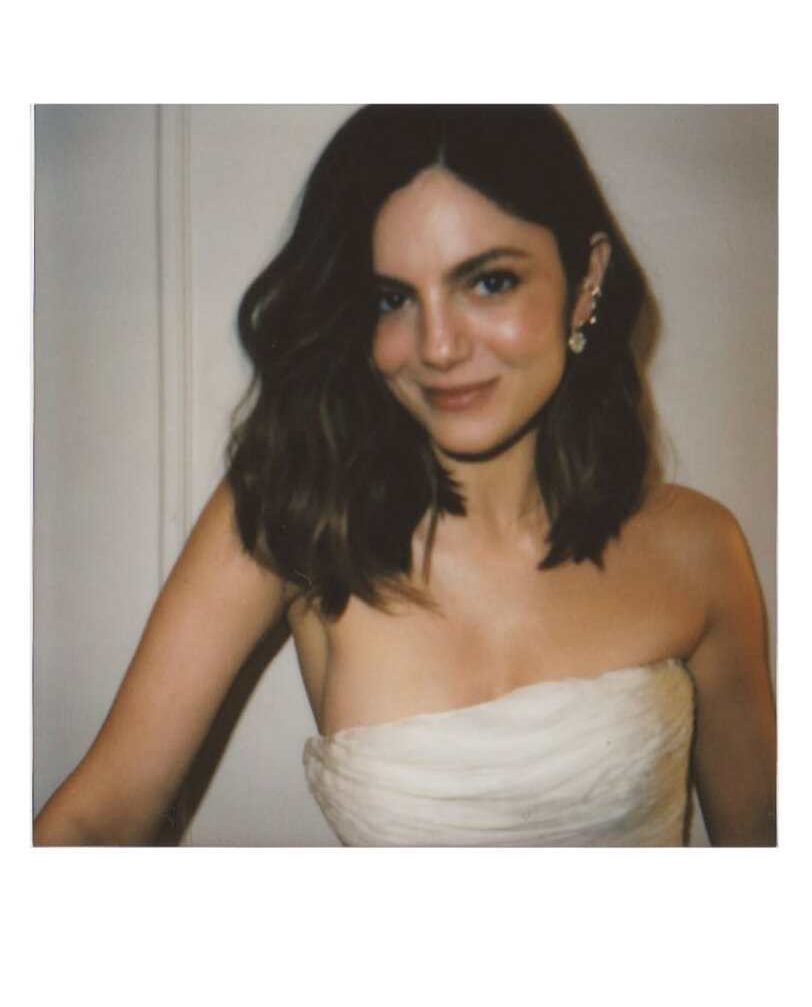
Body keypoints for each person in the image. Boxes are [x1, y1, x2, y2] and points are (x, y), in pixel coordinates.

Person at [33, 105, 776, 846]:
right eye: (392, 298)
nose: (439, 346)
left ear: (587, 280)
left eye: (489, 282)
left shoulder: (701, 548)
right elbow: (96, 821)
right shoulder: (294, 513)